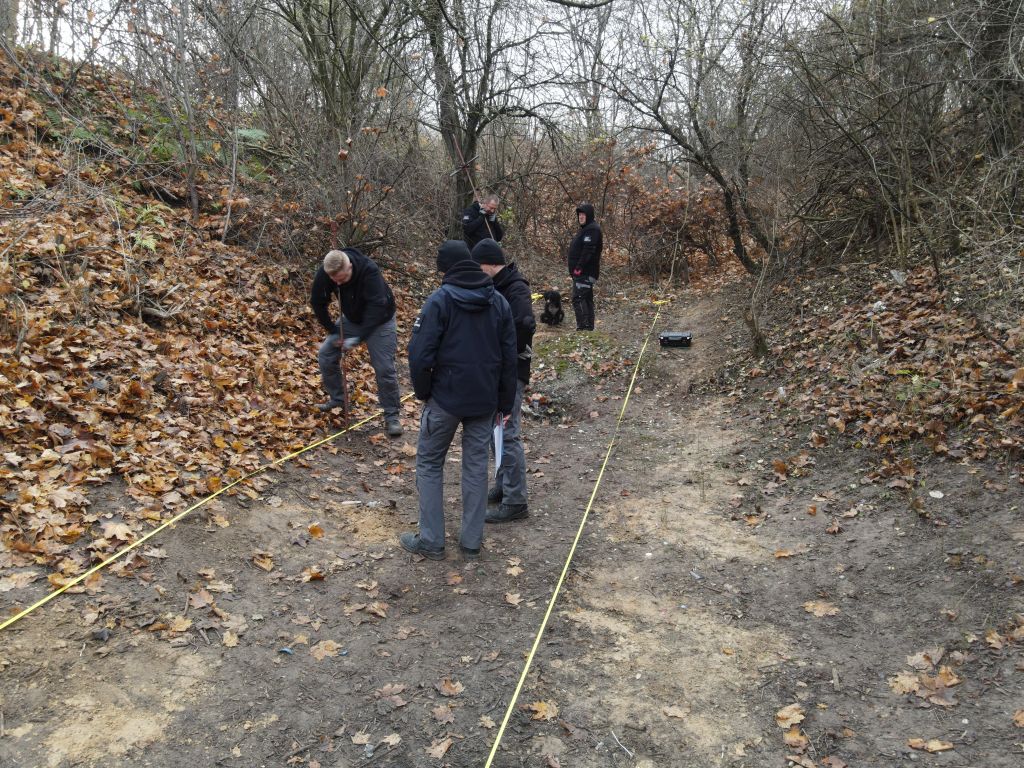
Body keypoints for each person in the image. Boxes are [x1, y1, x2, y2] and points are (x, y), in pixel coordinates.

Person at [399, 240, 517, 560]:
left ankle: (432, 541)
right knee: (476, 468)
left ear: (446, 270)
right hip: (484, 400)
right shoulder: (499, 303)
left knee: (429, 463)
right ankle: (471, 542)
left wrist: (425, 392)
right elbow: (510, 358)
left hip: (445, 399)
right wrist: (505, 404)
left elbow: (419, 353)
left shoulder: (440, 300)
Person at [470, 238, 536, 524]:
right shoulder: (494, 286)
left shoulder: (515, 288)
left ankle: (516, 500)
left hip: (512, 371)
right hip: (496, 372)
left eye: (479, 265)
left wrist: (503, 352)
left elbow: (525, 325)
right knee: (495, 431)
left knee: (508, 433)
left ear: (490, 263)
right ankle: (504, 483)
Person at [310, 248, 403, 437]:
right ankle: (338, 400)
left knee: (384, 368)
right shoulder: (327, 272)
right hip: (352, 319)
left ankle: (392, 415)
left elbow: (377, 308)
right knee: (326, 354)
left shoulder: (369, 270)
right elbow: (317, 302)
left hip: (381, 321)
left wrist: (357, 339)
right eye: (334, 280)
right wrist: (333, 330)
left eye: (342, 280)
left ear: (350, 267)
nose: (338, 283)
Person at [567, 202, 602, 331]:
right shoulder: (586, 229)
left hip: (585, 273)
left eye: (583, 214)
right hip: (582, 273)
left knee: (579, 298)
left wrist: (578, 268)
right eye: (579, 214)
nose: (581, 217)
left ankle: (583, 327)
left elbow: (588, 251)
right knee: (586, 298)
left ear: (589, 215)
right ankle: (588, 327)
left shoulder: (592, 229)